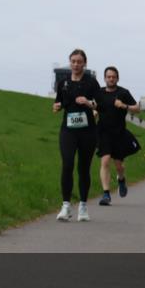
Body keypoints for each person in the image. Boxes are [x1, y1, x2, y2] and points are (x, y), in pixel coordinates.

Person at [53, 49, 101, 222]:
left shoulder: (91, 82)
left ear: (84, 63)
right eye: (73, 61)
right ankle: (66, 206)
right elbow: (58, 102)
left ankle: (83, 206)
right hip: (68, 130)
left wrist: (88, 103)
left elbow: (99, 104)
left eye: (79, 62)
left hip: (87, 131)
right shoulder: (63, 82)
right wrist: (56, 107)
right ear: (70, 62)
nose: (76, 64)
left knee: (83, 168)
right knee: (67, 164)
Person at [95, 66, 140, 206]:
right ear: (104, 78)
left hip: (119, 133)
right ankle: (106, 194)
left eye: (113, 77)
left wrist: (124, 106)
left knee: (119, 165)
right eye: (108, 77)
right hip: (103, 132)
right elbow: (94, 106)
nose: (111, 79)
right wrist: (94, 112)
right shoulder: (99, 93)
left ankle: (121, 179)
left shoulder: (123, 92)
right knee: (105, 161)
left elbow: (137, 108)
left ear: (117, 78)